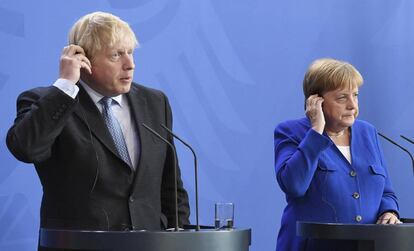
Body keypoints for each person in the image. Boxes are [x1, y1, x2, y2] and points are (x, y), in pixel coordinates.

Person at [6, 12, 190, 250]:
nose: (130, 64)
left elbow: (171, 188)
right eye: (116, 55)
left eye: (130, 52)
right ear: (84, 60)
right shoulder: (48, 101)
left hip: (149, 244)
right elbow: (26, 148)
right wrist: (64, 85)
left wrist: (183, 240)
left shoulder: (154, 102)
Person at [274, 58, 400, 251]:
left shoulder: (368, 132)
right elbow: (294, 186)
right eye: (342, 98)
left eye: (355, 95)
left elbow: (386, 192)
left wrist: (389, 211)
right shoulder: (291, 132)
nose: (352, 105)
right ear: (316, 101)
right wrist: (316, 131)